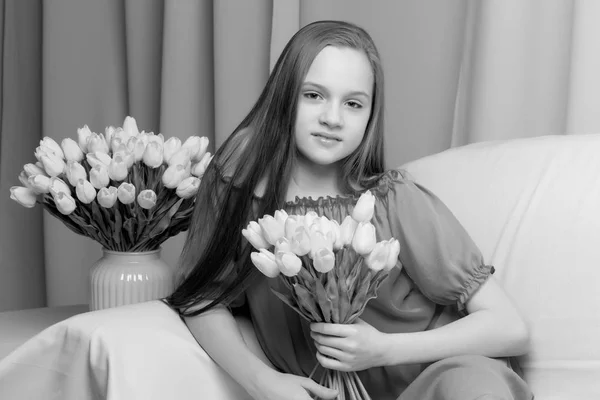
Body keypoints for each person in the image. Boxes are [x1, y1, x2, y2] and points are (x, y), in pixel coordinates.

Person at [165, 20, 534, 400]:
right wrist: (262, 381)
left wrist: (384, 349)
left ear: (370, 116)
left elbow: (509, 327)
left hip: (437, 379)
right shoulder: (239, 190)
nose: (333, 118)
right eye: (313, 95)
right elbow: (201, 298)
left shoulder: (391, 199)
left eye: (353, 103)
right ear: (284, 96)